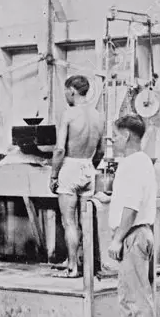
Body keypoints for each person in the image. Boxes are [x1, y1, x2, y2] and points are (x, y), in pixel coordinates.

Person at [96, 115, 157, 317]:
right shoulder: (137, 162)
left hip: (133, 234)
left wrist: (117, 239)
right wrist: (110, 200)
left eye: (116, 135)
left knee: (139, 294)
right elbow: (129, 200)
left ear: (127, 136)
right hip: (133, 232)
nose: (114, 140)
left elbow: (132, 207)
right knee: (126, 292)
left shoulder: (134, 164)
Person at [49, 75, 104, 278]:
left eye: (66, 91)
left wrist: (54, 175)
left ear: (72, 90)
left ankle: (72, 268)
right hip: (89, 167)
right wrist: (90, 166)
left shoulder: (69, 114)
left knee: (69, 222)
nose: (65, 95)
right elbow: (101, 151)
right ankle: (86, 266)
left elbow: (59, 150)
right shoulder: (99, 116)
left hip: (71, 165)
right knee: (85, 221)